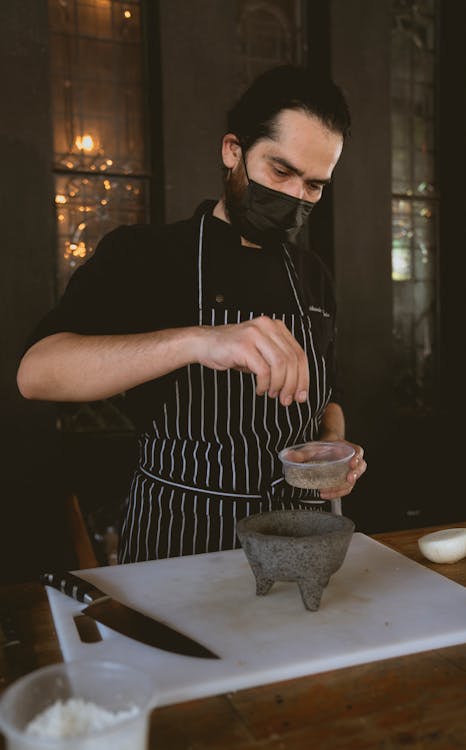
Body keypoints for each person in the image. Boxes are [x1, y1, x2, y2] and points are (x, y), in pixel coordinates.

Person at [17, 65, 367, 563]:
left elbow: (327, 397)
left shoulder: (312, 275)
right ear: (233, 151)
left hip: (301, 538)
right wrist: (198, 341)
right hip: (180, 541)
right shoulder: (146, 256)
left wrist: (332, 448)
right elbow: (36, 374)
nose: (293, 197)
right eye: (280, 171)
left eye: (313, 186)